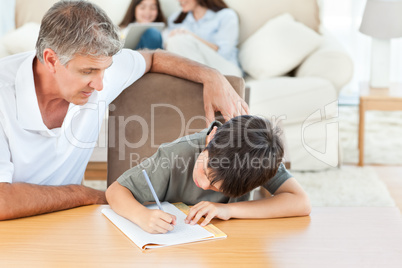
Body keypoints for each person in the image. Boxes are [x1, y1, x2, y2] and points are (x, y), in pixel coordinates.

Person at [0, 1, 248, 221]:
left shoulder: (98, 68)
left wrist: (211, 76)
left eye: (104, 69)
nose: (100, 85)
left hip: (68, 219)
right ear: (51, 60)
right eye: (87, 72)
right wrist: (86, 194)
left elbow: (152, 58)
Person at [106, 115, 311, 234]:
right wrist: (142, 216)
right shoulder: (175, 154)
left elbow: (301, 202)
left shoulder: (259, 160)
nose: (204, 185)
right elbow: (116, 190)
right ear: (212, 137)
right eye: (205, 172)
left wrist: (229, 210)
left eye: (215, 187)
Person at [165, 0, 243, 77]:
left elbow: (223, 52)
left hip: (225, 68)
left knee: (179, 40)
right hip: (195, 71)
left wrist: (190, 36)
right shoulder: (175, 19)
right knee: (175, 41)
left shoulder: (226, 15)